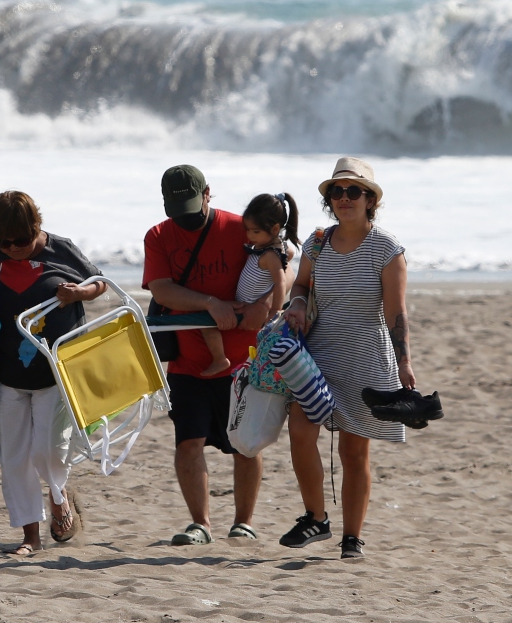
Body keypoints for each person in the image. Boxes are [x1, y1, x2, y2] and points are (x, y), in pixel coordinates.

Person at [0, 190, 107, 556]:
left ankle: (59, 499)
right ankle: (30, 537)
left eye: (21, 241)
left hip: (55, 375)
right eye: (2, 242)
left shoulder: (62, 249)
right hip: (6, 377)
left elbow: (100, 283)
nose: (12, 248)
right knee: (14, 457)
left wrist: (79, 294)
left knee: (48, 453)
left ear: (37, 226)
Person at [280, 157, 414, 559]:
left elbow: (396, 313)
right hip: (317, 358)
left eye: (354, 191)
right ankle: (316, 517)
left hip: (365, 359)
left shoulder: (386, 249)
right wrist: (298, 304)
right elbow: (300, 284)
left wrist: (404, 362)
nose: (344, 198)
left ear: (370, 199)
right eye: (337, 191)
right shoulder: (317, 242)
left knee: (354, 452)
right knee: (301, 430)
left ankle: (351, 537)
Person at [142, 165, 275, 545]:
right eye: (178, 211)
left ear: (208, 194)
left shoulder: (240, 229)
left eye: (192, 208)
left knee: (246, 444)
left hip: (244, 360)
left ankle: (243, 522)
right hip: (187, 361)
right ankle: (201, 523)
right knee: (188, 442)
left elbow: (278, 267)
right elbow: (162, 290)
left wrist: (264, 305)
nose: (187, 219)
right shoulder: (158, 235)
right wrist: (210, 303)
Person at [198, 193, 300, 376]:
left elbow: (280, 282)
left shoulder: (270, 255)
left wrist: (274, 312)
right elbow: (289, 252)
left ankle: (220, 359)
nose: (249, 236)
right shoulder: (273, 248)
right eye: (247, 230)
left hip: (246, 306)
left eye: (255, 231)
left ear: (275, 229)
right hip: (244, 302)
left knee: (205, 321)